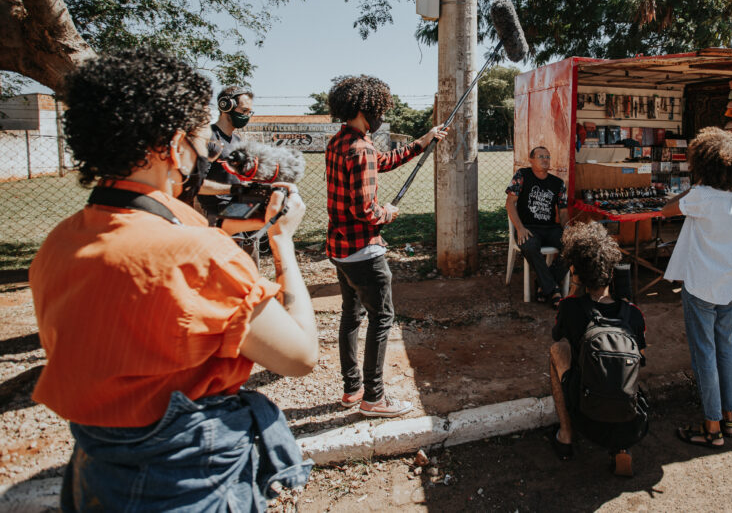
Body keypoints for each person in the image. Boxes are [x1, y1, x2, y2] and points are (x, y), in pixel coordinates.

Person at [29, 49, 318, 510]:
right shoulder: (199, 255)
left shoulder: (59, 243)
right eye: (201, 139)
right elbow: (300, 356)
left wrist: (223, 229)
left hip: (96, 473)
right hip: (187, 482)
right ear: (173, 145)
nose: (204, 153)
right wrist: (282, 240)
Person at [326, 75, 446, 418]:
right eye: (378, 109)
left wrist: (424, 141)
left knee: (351, 316)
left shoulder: (340, 142)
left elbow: (383, 162)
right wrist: (388, 213)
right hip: (364, 251)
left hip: (340, 250)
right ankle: (374, 399)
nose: (380, 114)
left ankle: (353, 390)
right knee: (382, 318)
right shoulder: (360, 148)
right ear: (366, 108)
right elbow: (366, 211)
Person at [660, 127, 732, 448]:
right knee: (725, 348)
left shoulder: (701, 197)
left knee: (705, 354)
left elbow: (666, 209)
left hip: (702, 287)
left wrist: (695, 187)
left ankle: (711, 427)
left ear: (704, 164)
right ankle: (728, 418)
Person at [549, 221, 648, 477]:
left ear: (576, 270)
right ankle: (621, 448)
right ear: (611, 270)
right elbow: (642, 360)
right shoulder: (633, 314)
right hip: (634, 424)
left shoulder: (571, 308)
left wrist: (573, 289)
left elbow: (558, 336)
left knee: (556, 351)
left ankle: (567, 435)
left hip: (588, 418)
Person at [197, 84, 264, 262]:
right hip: (216, 214)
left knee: (249, 260)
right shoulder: (208, 138)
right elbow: (197, 185)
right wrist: (233, 189)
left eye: (250, 111)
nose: (247, 116)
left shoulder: (237, 139)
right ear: (226, 106)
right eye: (243, 110)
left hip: (238, 209)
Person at [506, 146, 570, 307]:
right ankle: (553, 290)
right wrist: (519, 228)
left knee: (574, 245)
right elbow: (510, 203)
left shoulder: (558, 183)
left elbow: (563, 212)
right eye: (540, 156)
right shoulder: (522, 175)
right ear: (531, 160)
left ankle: (545, 286)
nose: (545, 160)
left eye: (547, 157)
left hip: (550, 228)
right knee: (529, 245)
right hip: (528, 227)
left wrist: (567, 230)